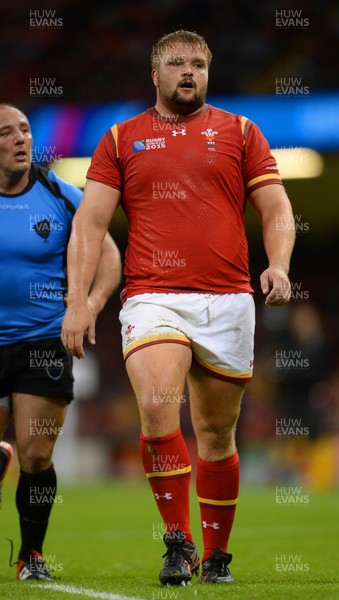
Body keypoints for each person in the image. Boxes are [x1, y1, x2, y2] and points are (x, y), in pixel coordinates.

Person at [62, 30, 295, 586]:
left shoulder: (240, 132)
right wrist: (77, 301)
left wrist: (279, 263)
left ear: (208, 73)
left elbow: (277, 207)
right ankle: (178, 544)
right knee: (158, 408)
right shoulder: (121, 138)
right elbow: (89, 225)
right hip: (152, 296)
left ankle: (216, 556)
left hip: (228, 299)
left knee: (217, 434)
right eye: (176, 63)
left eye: (198, 64)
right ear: (155, 75)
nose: (188, 71)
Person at [0, 103, 121, 580]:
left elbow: (110, 258)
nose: (20, 139)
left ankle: (32, 556)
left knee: (36, 454)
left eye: (25, 131)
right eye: (6, 133)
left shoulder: (61, 194)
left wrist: (86, 306)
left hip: (42, 340)